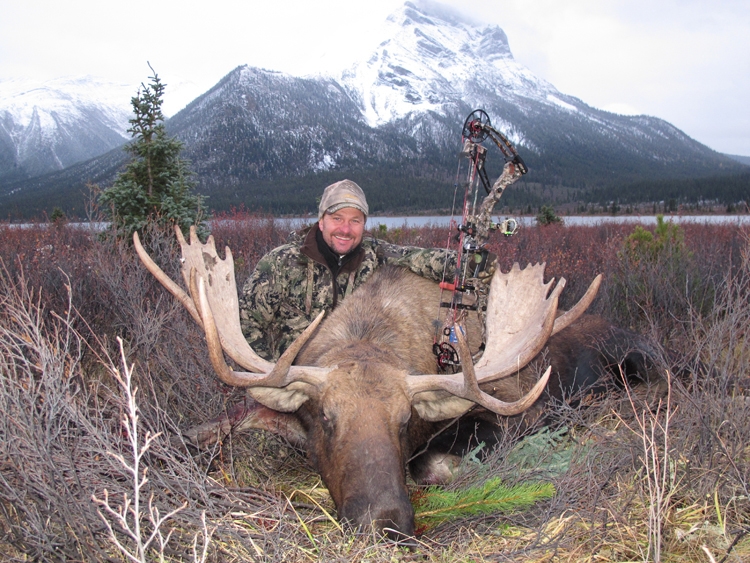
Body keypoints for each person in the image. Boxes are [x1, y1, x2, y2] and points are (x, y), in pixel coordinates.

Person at [239, 179, 465, 361]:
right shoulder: (280, 263)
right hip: (296, 380)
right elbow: (246, 322)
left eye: (355, 221)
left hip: (351, 377)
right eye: (337, 218)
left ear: (363, 225)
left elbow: (418, 258)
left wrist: (468, 263)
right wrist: (273, 374)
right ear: (321, 221)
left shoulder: (374, 256)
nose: (345, 229)